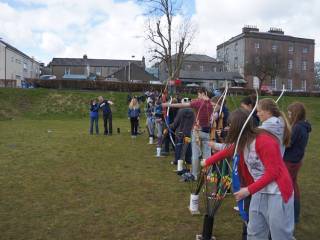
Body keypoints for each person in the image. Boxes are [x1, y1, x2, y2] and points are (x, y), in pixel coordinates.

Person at [202, 108, 294, 240]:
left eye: (230, 126)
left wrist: (248, 190)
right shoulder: (243, 141)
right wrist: (206, 162)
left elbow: (274, 172)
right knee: (254, 231)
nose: (228, 128)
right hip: (259, 191)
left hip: (277, 192)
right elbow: (228, 151)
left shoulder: (264, 141)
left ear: (238, 127)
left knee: (279, 234)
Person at [163, 88, 213, 180]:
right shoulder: (210, 104)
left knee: (195, 154)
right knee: (207, 154)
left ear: (202, 93)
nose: (198, 97)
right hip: (207, 131)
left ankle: (194, 174)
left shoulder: (198, 102)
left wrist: (167, 104)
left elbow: (181, 105)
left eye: (198, 94)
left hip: (197, 131)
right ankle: (209, 175)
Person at [284, 102, 311, 224]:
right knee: (292, 186)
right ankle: (293, 215)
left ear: (295, 114)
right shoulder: (302, 126)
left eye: (290, 113)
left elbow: (288, 143)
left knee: (288, 187)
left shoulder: (298, 127)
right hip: (295, 160)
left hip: (290, 161)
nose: (288, 115)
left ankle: (292, 216)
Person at [170, 97, 195, 166]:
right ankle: (188, 160)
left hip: (180, 133)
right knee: (188, 146)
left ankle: (177, 161)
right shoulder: (193, 111)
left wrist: (170, 126)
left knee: (178, 146)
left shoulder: (181, 111)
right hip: (188, 132)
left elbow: (176, 123)